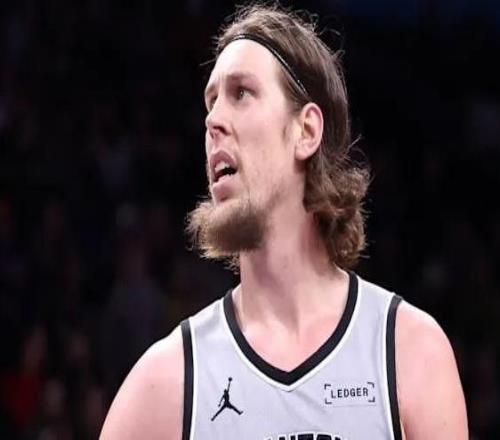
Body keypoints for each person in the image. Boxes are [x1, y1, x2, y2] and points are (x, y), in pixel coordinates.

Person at [100, 4, 468, 439]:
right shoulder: (164, 386)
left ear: (306, 131)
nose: (213, 120)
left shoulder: (410, 354)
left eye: (241, 93)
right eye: (211, 102)